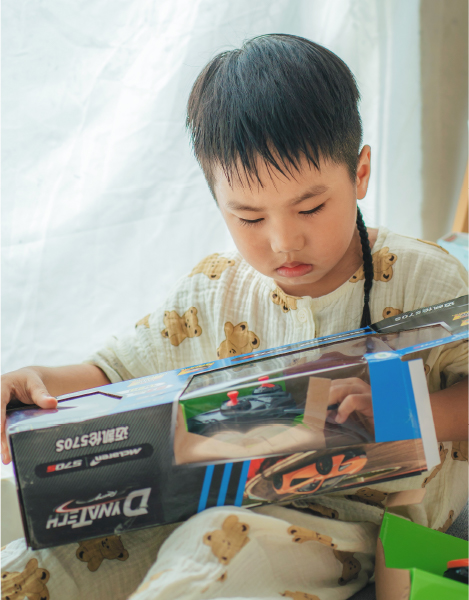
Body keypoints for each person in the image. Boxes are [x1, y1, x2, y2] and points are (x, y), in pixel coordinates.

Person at [1, 34, 467, 600]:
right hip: (208, 497)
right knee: (36, 566)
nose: (283, 240)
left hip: (355, 524)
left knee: (210, 553)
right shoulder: (214, 289)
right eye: (248, 217)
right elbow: (115, 374)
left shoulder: (426, 279)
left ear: (361, 172)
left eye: (311, 207)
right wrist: (34, 383)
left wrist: (404, 410)